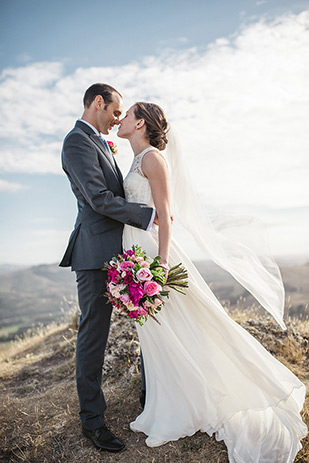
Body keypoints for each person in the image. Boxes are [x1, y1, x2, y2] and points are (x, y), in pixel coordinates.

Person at [117, 102, 308, 462]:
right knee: (159, 333)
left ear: (140, 122)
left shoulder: (153, 159)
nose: (121, 119)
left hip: (152, 256)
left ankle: (196, 403)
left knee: (183, 326)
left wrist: (158, 268)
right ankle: (167, 406)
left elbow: (167, 217)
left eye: (127, 114)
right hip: (135, 253)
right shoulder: (138, 158)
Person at [59, 84, 156, 452]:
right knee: (94, 336)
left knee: (149, 326)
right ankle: (93, 422)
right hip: (95, 253)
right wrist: (148, 215)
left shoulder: (97, 141)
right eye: (115, 111)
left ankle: (153, 395)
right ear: (97, 102)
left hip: (122, 251)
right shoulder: (77, 142)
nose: (118, 119)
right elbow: (98, 199)